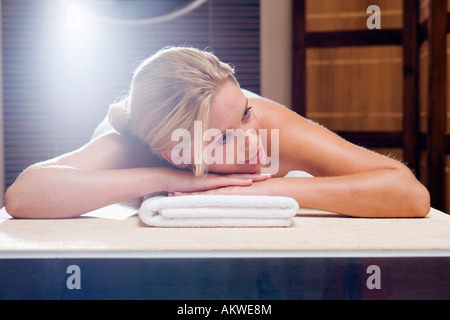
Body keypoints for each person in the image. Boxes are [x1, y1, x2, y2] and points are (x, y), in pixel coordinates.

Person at [4, 46, 430, 219]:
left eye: (245, 113)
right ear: (175, 153)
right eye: (223, 139)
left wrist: (266, 192)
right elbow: (23, 196)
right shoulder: (134, 146)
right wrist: (172, 181)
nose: (251, 139)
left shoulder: (269, 127)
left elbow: (409, 193)